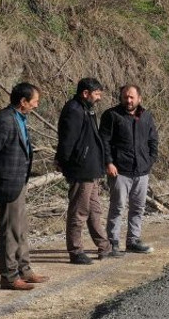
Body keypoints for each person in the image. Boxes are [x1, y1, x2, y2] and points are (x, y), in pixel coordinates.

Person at [0, 82, 48, 291]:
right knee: (9, 232)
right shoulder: (5, 120)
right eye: (34, 101)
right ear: (23, 101)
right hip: (7, 184)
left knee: (20, 229)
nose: (36, 105)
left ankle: (24, 270)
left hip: (18, 182)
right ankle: (9, 276)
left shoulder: (19, 118)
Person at [56, 77, 111, 264]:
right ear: (85, 93)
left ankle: (104, 246)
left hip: (91, 169)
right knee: (79, 211)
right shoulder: (74, 110)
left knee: (95, 210)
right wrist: (64, 163)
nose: (99, 98)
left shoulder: (86, 109)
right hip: (81, 169)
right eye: (96, 94)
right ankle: (75, 250)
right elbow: (67, 141)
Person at [100, 84, 158, 255]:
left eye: (132, 97)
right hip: (119, 171)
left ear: (139, 98)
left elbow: (153, 140)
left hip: (141, 171)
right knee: (117, 207)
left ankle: (133, 240)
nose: (129, 100)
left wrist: (149, 161)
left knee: (138, 208)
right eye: (125, 97)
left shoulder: (146, 116)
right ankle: (112, 243)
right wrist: (109, 162)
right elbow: (104, 141)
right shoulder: (111, 115)